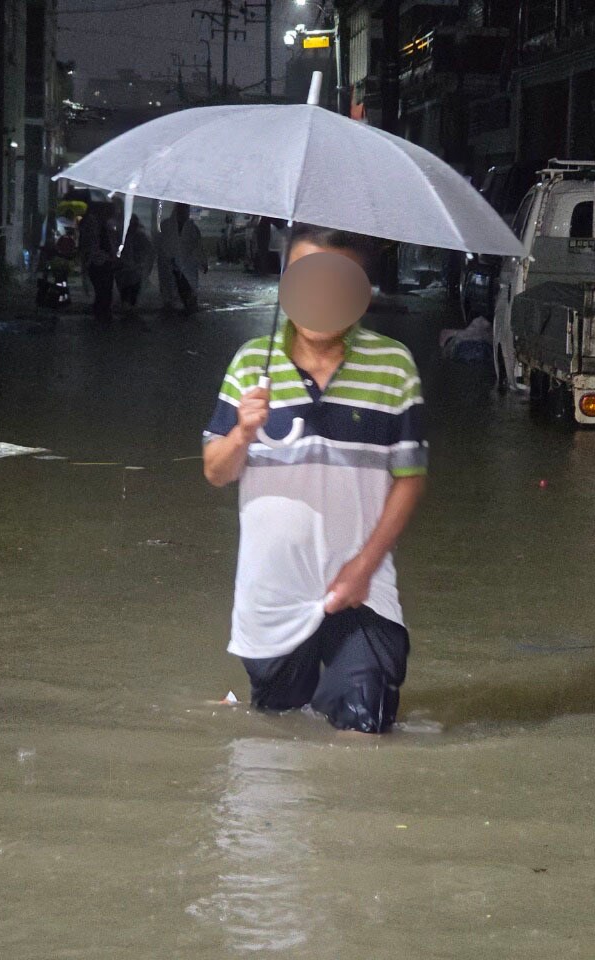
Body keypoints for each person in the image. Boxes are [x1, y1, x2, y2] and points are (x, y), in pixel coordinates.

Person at [202, 224, 427, 734]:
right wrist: (242, 432)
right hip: (272, 594)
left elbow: (410, 478)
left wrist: (364, 567)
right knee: (278, 728)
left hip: (362, 588)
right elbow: (216, 471)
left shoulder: (394, 366)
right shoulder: (249, 365)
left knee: (364, 724)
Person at [156, 202, 208, 313]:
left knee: (187, 287)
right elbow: (161, 244)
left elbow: (198, 246)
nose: (184, 213)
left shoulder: (192, 228)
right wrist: (167, 259)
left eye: (186, 210)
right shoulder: (166, 226)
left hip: (188, 264)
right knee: (170, 287)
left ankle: (186, 305)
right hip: (169, 264)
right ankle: (172, 306)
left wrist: (203, 262)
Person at [82, 202, 121, 320]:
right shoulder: (97, 225)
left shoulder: (103, 225)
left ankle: (102, 311)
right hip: (100, 263)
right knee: (103, 289)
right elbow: (96, 245)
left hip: (102, 262)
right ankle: (102, 312)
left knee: (104, 289)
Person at [116, 215, 154, 312]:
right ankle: (128, 305)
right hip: (127, 267)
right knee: (128, 287)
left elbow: (147, 250)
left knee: (131, 287)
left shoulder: (138, 236)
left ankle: (129, 305)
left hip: (133, 268)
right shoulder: (124, 235)